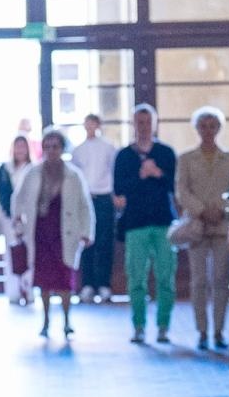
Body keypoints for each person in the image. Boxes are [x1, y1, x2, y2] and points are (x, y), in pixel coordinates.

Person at [13, 128, 94, 338]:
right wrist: (19, 223)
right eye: (47, 146)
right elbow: (19, 199)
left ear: (62, 148)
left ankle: (67, 320)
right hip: (40, 233)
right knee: (44, 281)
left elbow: (85, 206)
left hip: (64, 233)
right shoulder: (33, 173)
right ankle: (46, 320)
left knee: (65, 279)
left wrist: (86, 231)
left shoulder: (73, 175)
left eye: (55, 146)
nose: (51, 151)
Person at [115, 104, 179, 344]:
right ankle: (139, 326)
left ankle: (163, 325)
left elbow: (175, 185)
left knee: (165, 276)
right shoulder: (124, 156)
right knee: (136, 278)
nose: (143, 127)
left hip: (163, 221)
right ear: (134, 125)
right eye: (139, 122)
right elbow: (119, 190)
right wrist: (141, 176)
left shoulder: (166, 153)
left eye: (147, 122)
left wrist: (158, 174)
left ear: (154, 124)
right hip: (135, 223)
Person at [176, 107, 229, 350]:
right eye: (203, 126)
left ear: (219, 129)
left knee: (221, 279)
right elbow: (182, 190)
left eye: (212, 126)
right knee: (199, 279)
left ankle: (219, 330)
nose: (208, 131)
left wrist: (221, 208)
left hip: (222, 225)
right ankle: (202, 330)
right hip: (197, 225)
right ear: (197, 128)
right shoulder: (186, 159)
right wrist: (201, 210)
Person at [71, 113, 117, 303]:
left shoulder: (108, 147)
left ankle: (104, 284)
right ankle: (87, 284)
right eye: (87, 123)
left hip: (105, 197)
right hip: (85, 199)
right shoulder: (78, 150)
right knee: (87, 241)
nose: (90, 126)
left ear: (98, 125)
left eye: (93, 123)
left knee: (105, 242)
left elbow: (113, 171)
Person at [0, 134, 35, 305]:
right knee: (12, 254)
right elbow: (3, 194)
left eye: (23, 146)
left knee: (30, 254)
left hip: (30, 218)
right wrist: (13, 215)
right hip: (9, 218)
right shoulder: (4, 170)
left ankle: (29, 288)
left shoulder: (34, 169)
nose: (20, 150)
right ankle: (14, 291)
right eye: (17, 146)